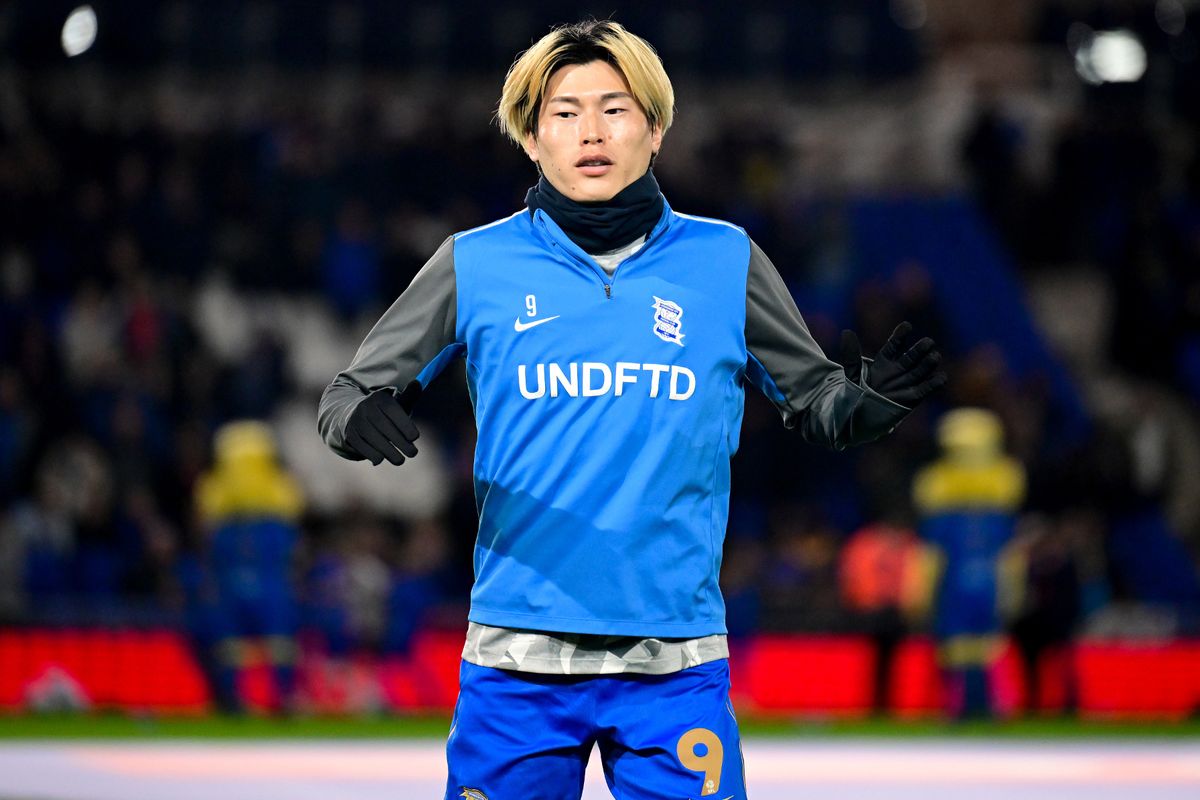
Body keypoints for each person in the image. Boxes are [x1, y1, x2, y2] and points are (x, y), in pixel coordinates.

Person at [319, 19, 945, 799]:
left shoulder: (726, 259)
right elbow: (344, 395)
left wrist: (862, 406)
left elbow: (815, 396)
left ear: (655, 130)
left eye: (614, 109)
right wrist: (355, 417)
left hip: (675, 661)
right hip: (515, 658)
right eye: (565, 112)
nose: (591, 131)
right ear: (531, 138)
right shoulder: (473, 262)